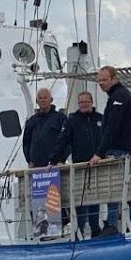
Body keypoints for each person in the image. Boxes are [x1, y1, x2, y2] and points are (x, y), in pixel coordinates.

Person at [91, 66, 131, 234]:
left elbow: (113, 127)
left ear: (114, 79)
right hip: (125, 149)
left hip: (119, 150)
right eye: (99, 80)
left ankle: (112, 226)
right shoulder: (117, 95)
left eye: (104, 79)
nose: (101, 83)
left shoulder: (118, 97)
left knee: (113, 191)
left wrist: (99, 152)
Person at [51, 91, 104, 238]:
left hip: (99, 164)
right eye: (81, 102)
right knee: (81, 201)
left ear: (92, 102)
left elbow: (108, 138)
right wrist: (54, 160)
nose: (84, 104)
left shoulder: (100, 119)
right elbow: (63, 141)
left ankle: (95, 229)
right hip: (80, 166)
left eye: (86, 101)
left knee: (96, 198)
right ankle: (79, 230)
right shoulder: (72, 120)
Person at [22, 87, 67, 167]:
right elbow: (26, 142)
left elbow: (67, 140)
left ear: (51, 100)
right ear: (36, 101)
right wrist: (29, 160)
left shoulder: (60, 118)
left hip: (55, 165)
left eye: (45, 97)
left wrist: (61, 159)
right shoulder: (31, 121)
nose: (43, 100)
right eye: (40, 98)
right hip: (37, 167)